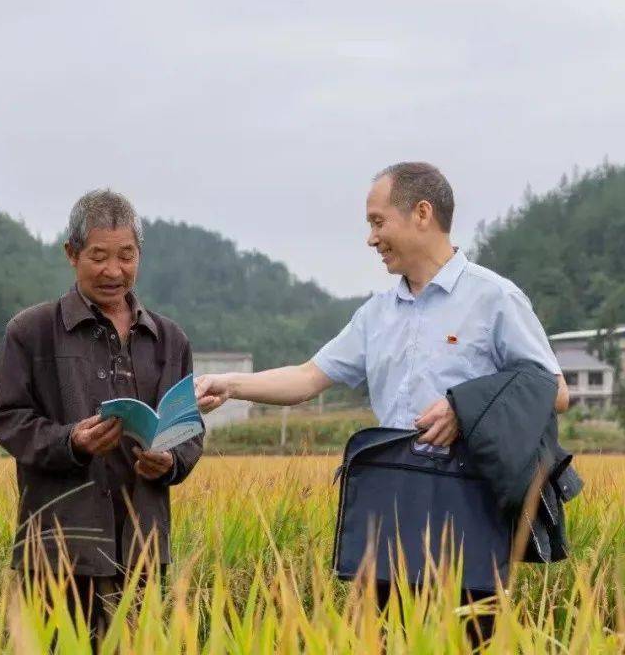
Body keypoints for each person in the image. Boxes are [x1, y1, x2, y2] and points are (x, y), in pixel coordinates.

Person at [195, 161, 568, 643]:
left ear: (422, 213)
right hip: (392, 501)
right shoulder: (377, 314)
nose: (371, 238)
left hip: (468, 506)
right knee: (382, 637)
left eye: (377, 221)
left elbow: (554, 390)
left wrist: (465, 406)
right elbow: (309, 377)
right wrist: (230, 385)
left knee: (470, 636)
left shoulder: (495, 298)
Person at [0, 189, 202, 642]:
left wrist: (172, 460)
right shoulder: (31, 332)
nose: (114, 271)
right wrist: (72, 442)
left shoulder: (169, 339)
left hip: (142, 548)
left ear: (139, 254)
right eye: (99, 256)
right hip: (57, 550)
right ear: (72, 254)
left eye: (126, 256)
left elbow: (188, 429)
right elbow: (9, 419)